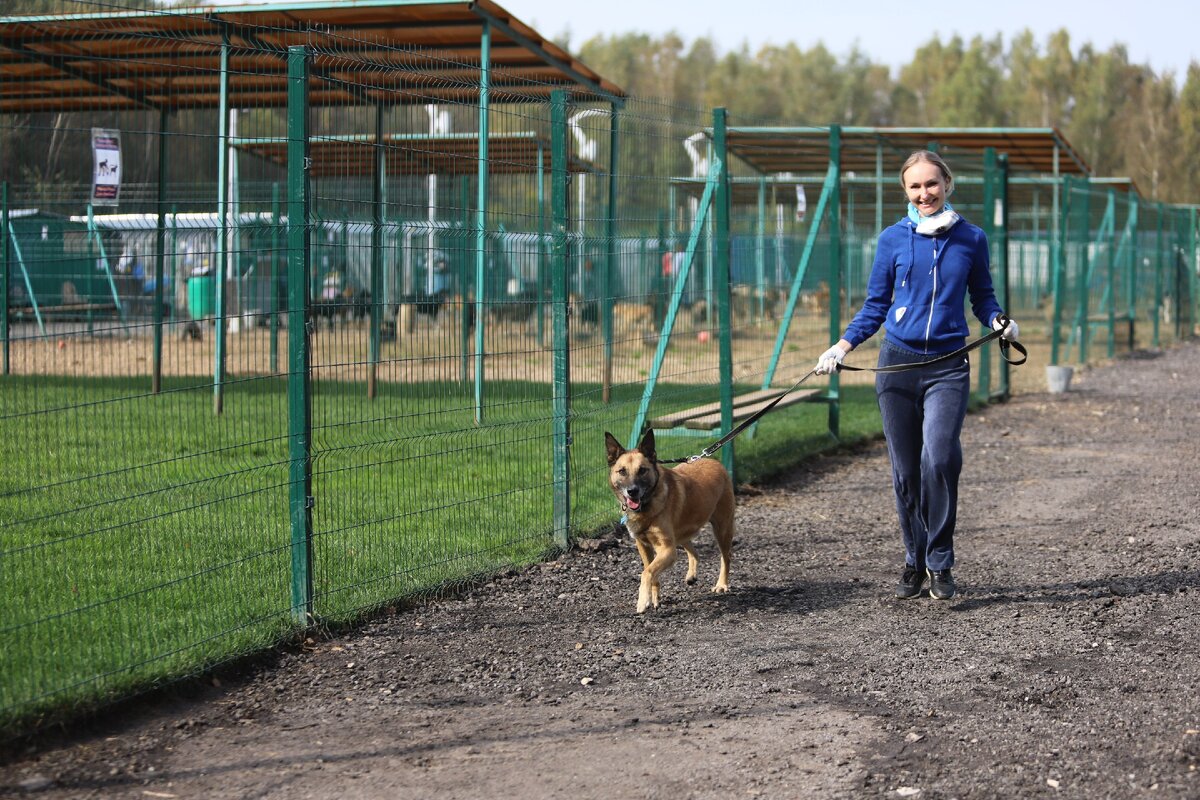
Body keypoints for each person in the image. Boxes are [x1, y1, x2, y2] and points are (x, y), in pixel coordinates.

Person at [814, 151, 1020, 601]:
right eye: (915, 186)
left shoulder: (971, 238)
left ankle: (940, 561)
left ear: (948, 183)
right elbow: (875, 305)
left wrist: (999, 320)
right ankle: (915, 558)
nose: (924, 193)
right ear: (905, 191)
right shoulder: (892, 239)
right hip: (897, 368)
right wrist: (842, 346)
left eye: (932, 184)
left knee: (940, 458)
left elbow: (982, 297)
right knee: (906, 473)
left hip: (948, 367)